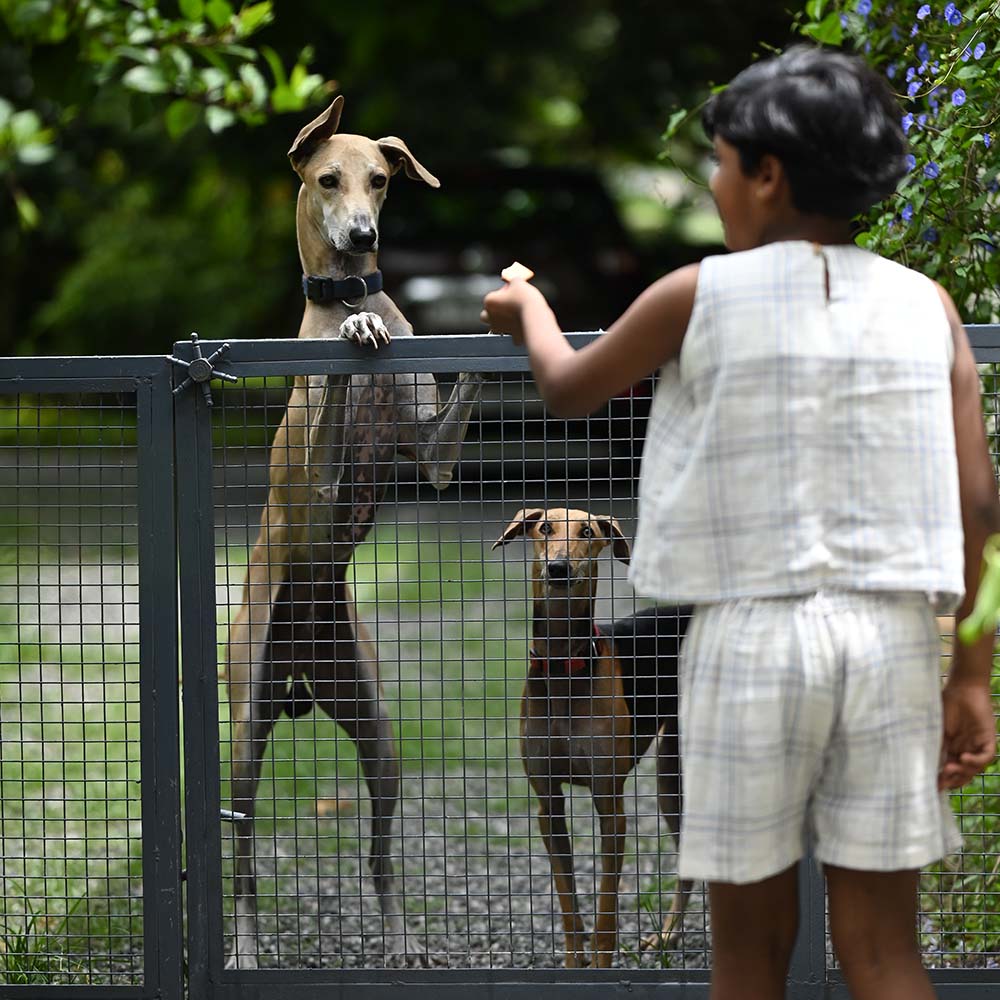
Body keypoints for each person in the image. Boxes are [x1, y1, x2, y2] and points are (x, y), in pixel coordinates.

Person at [481, 45, 999, 1000]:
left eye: (719, 161)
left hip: (745, 644)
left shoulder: (696, 294)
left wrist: (530, 308)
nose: (714, 181)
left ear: (766, 175)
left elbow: (567, 387)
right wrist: (971, 673)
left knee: (748, 958)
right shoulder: (929, 305)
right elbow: (979, 506)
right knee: (884, 953)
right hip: (886, 646)